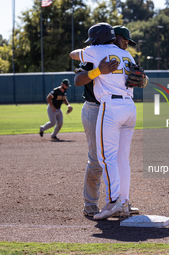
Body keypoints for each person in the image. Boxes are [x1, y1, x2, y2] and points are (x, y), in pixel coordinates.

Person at [70, 22, 138, 220]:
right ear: (112, 37)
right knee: (97, 160)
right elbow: (77, 80)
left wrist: (139, 80)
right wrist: (98, 71)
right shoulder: (97, 52)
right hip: (95, 107)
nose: (125, 44)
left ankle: (119, 202)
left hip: (111, 107)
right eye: (123, 40)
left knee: (113, 158)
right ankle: (91, 204)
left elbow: (135, 79)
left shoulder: (121, 54)